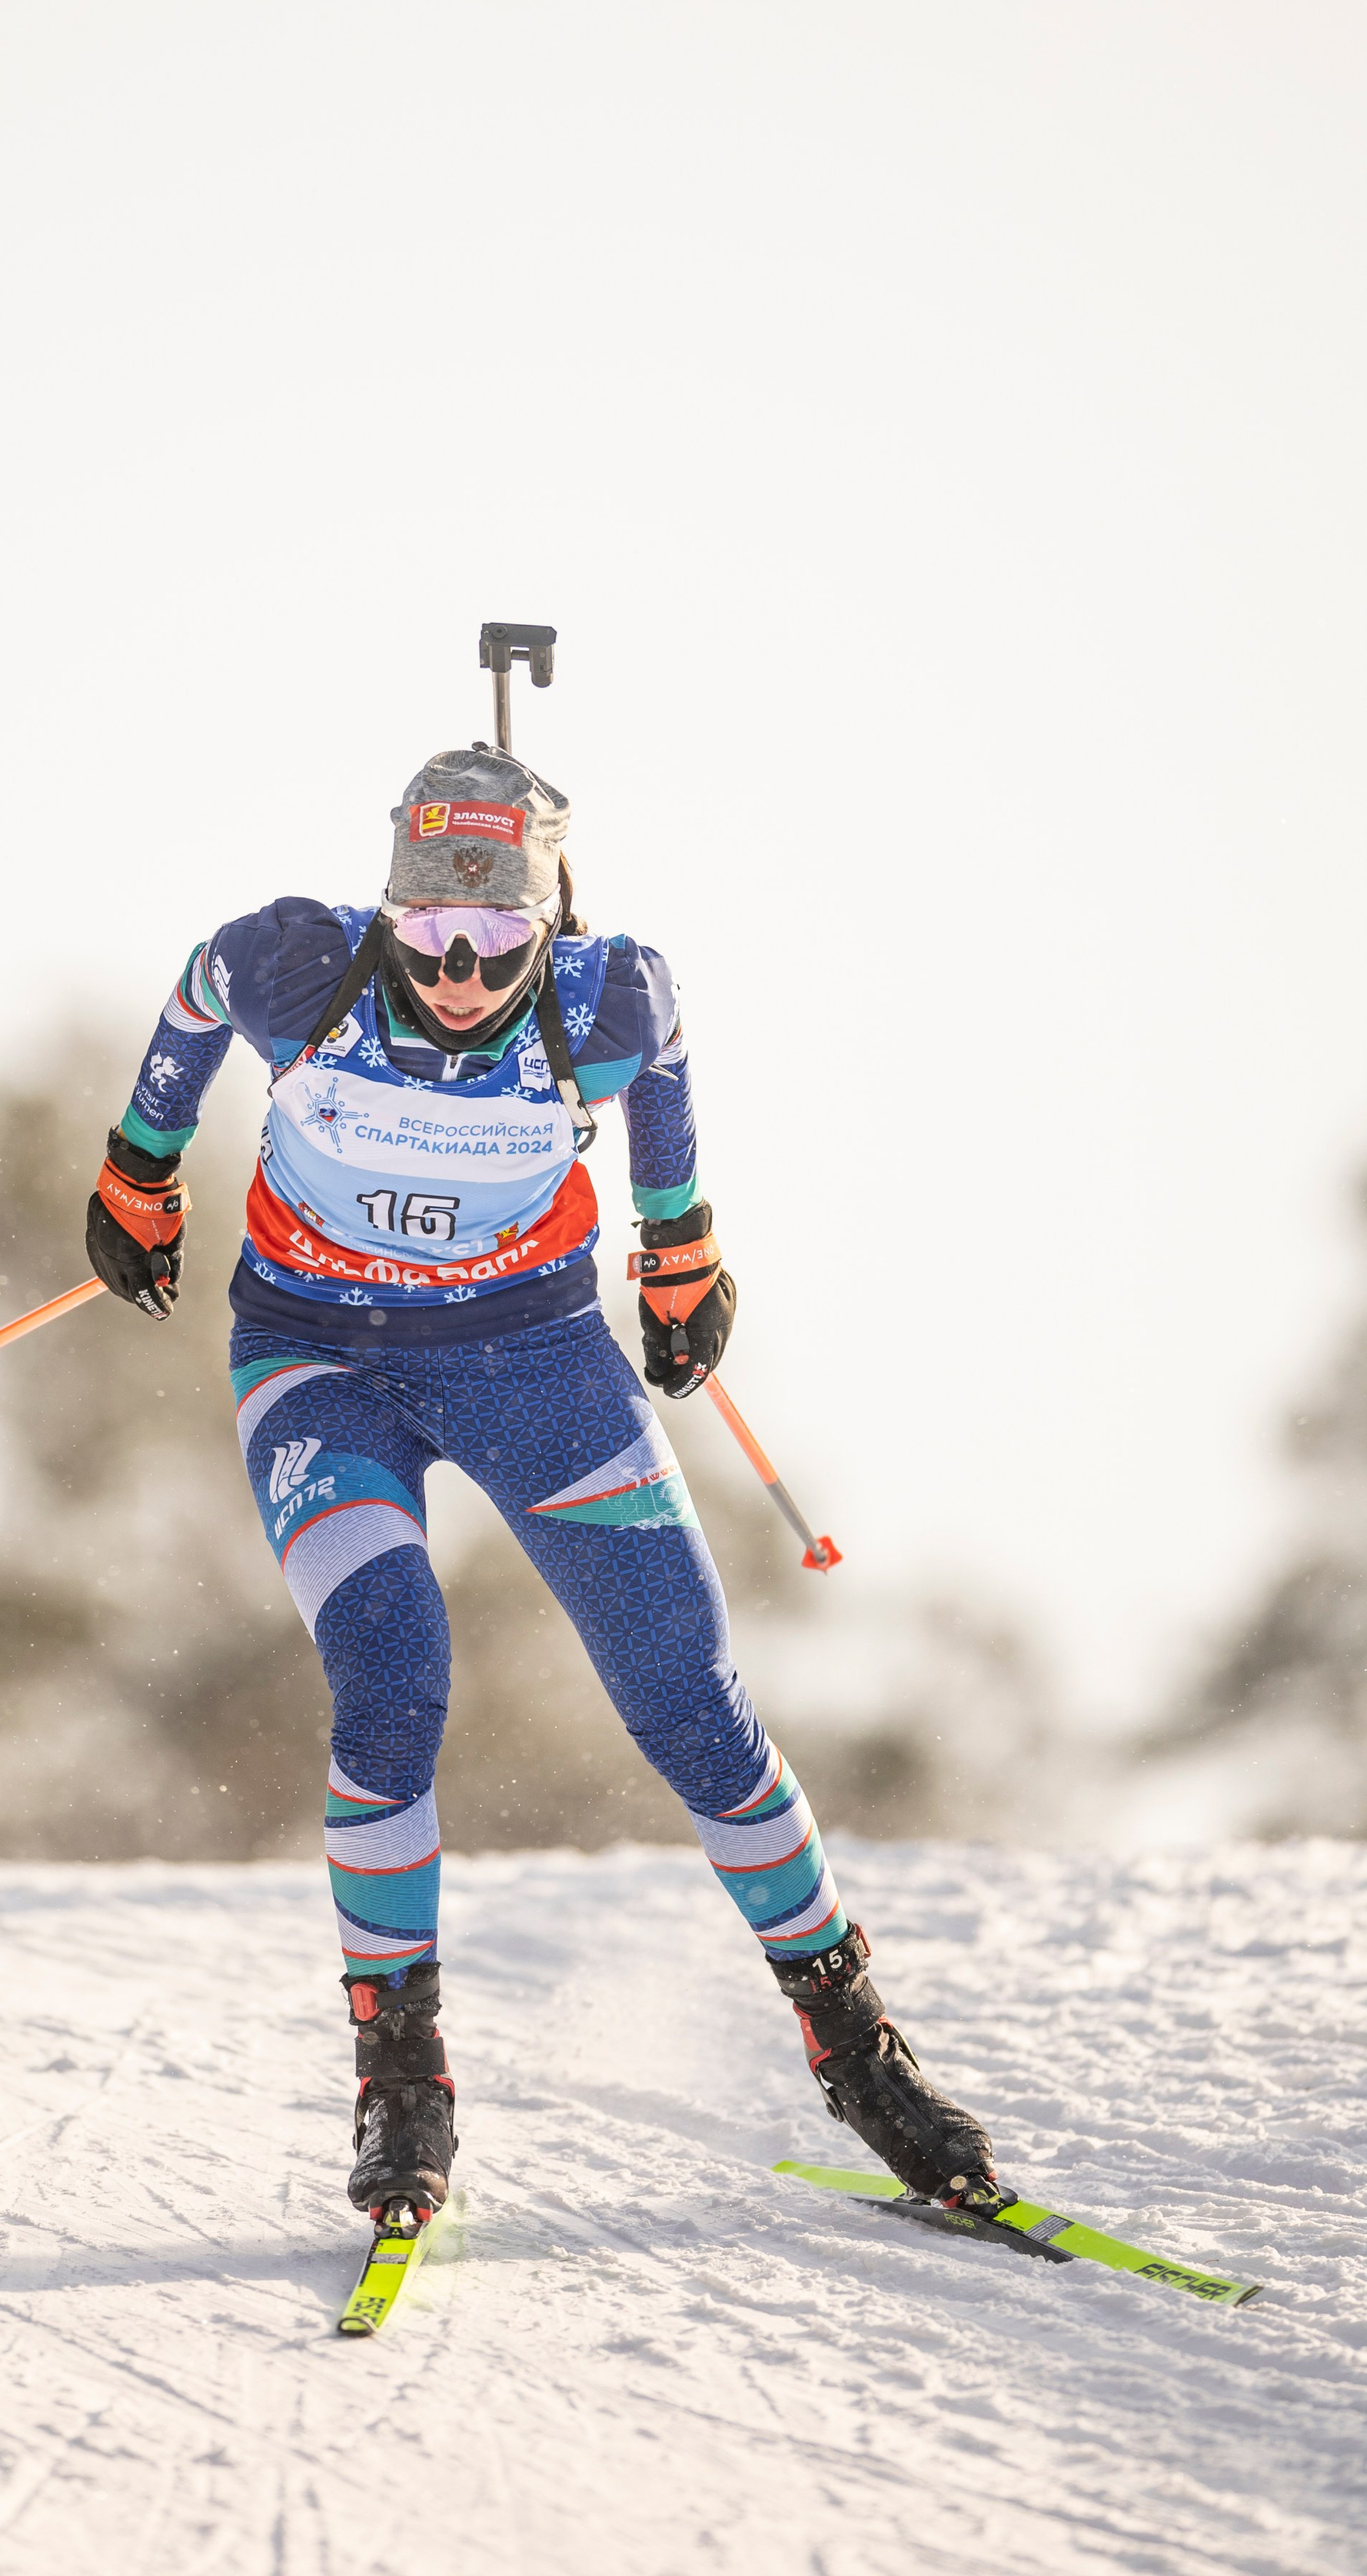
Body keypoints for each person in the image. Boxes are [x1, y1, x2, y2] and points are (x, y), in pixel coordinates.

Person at [86, 746, 1002, 2230]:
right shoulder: (295, 964)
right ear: (386, 913)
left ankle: (856, 2044)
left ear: (549, 925)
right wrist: (140, 1162)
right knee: (391, 1680)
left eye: (497, 938)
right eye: (430, 934)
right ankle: (401, 2079)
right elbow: (194, 995)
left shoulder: (609, 1002)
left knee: (693, 1709)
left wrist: (680, 1243)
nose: (456, 970)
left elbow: (673, 1069)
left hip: (538, 1366)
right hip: (321, 1364)